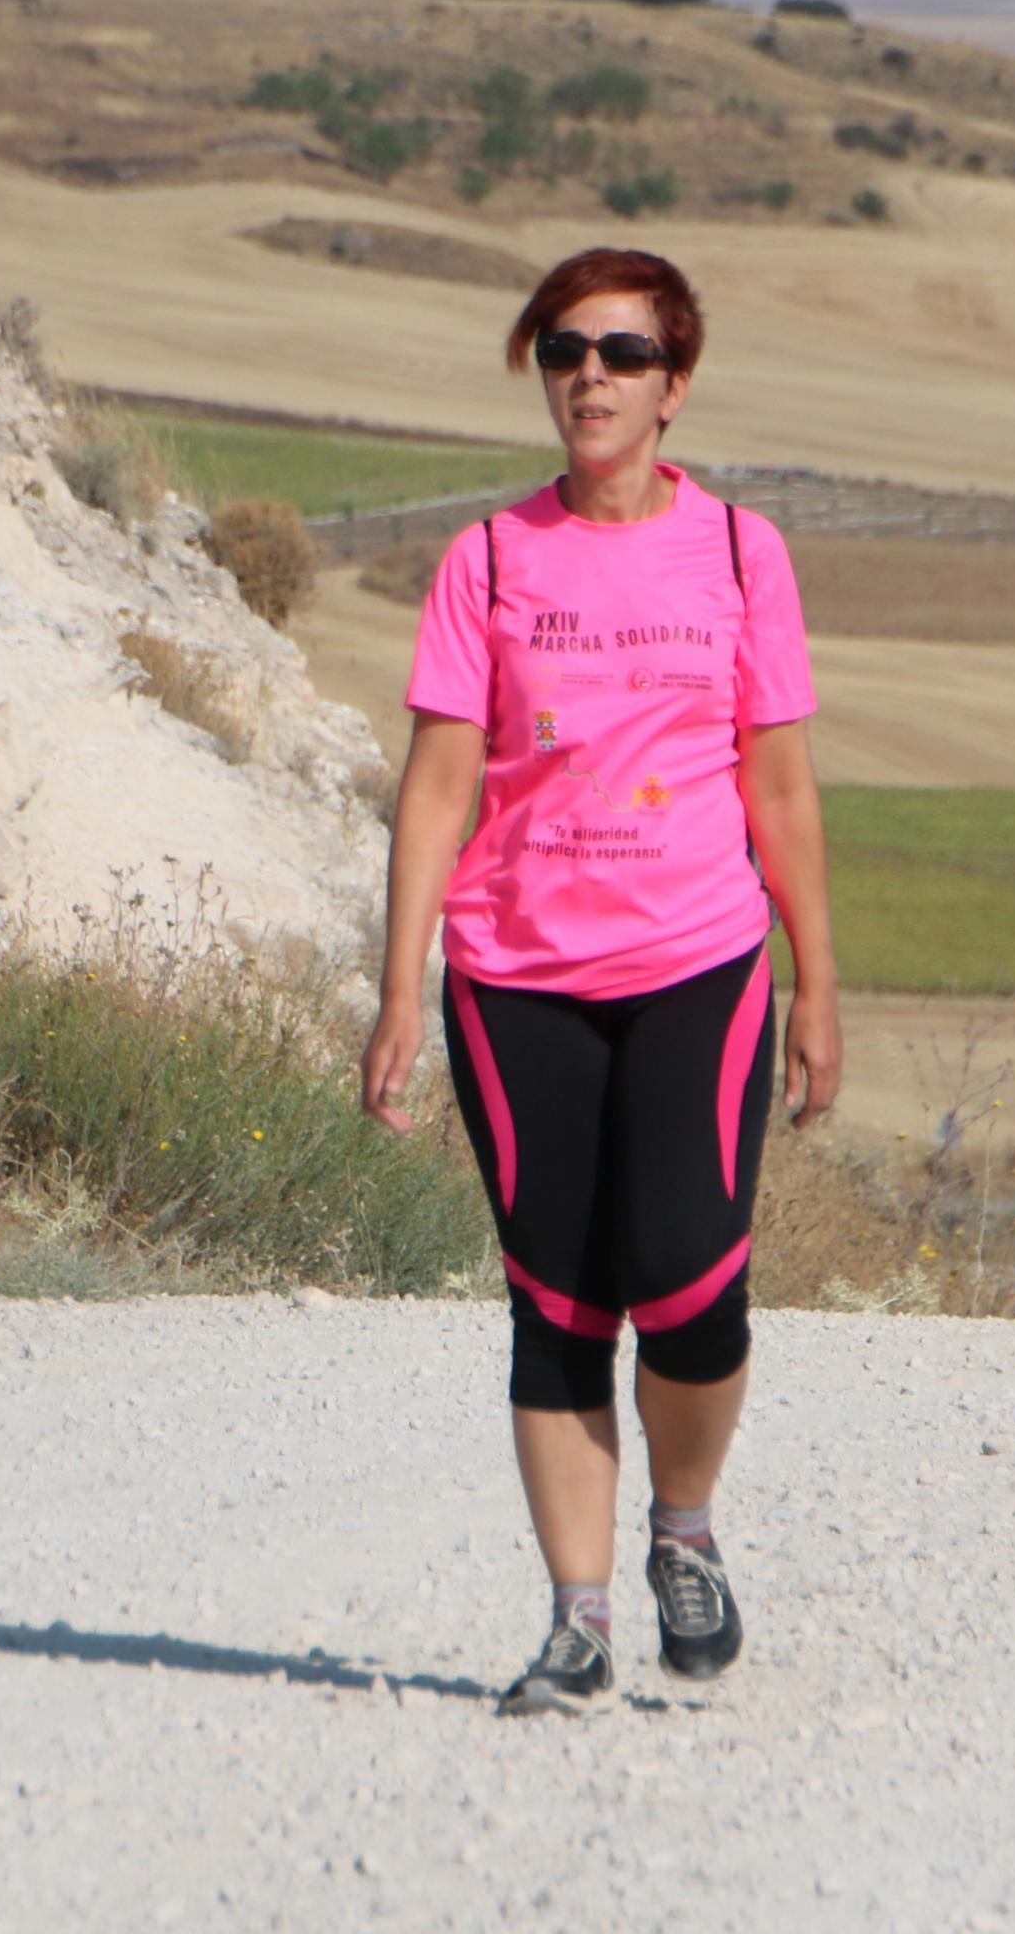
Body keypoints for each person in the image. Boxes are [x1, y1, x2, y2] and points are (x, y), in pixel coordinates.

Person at [359, 245, 843, 1716]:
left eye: (624, 354)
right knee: (556, 1301)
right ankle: (575, 1623)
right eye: (565, 349)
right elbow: (438, 789)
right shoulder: (489, 562)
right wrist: (399, 988)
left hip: (700, 958)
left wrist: (819, 984)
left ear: (675, 385)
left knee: (691, 1286)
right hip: (516, 978)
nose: (591, 375)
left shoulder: (746, 555)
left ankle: (681, 1533)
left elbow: (779, 781)